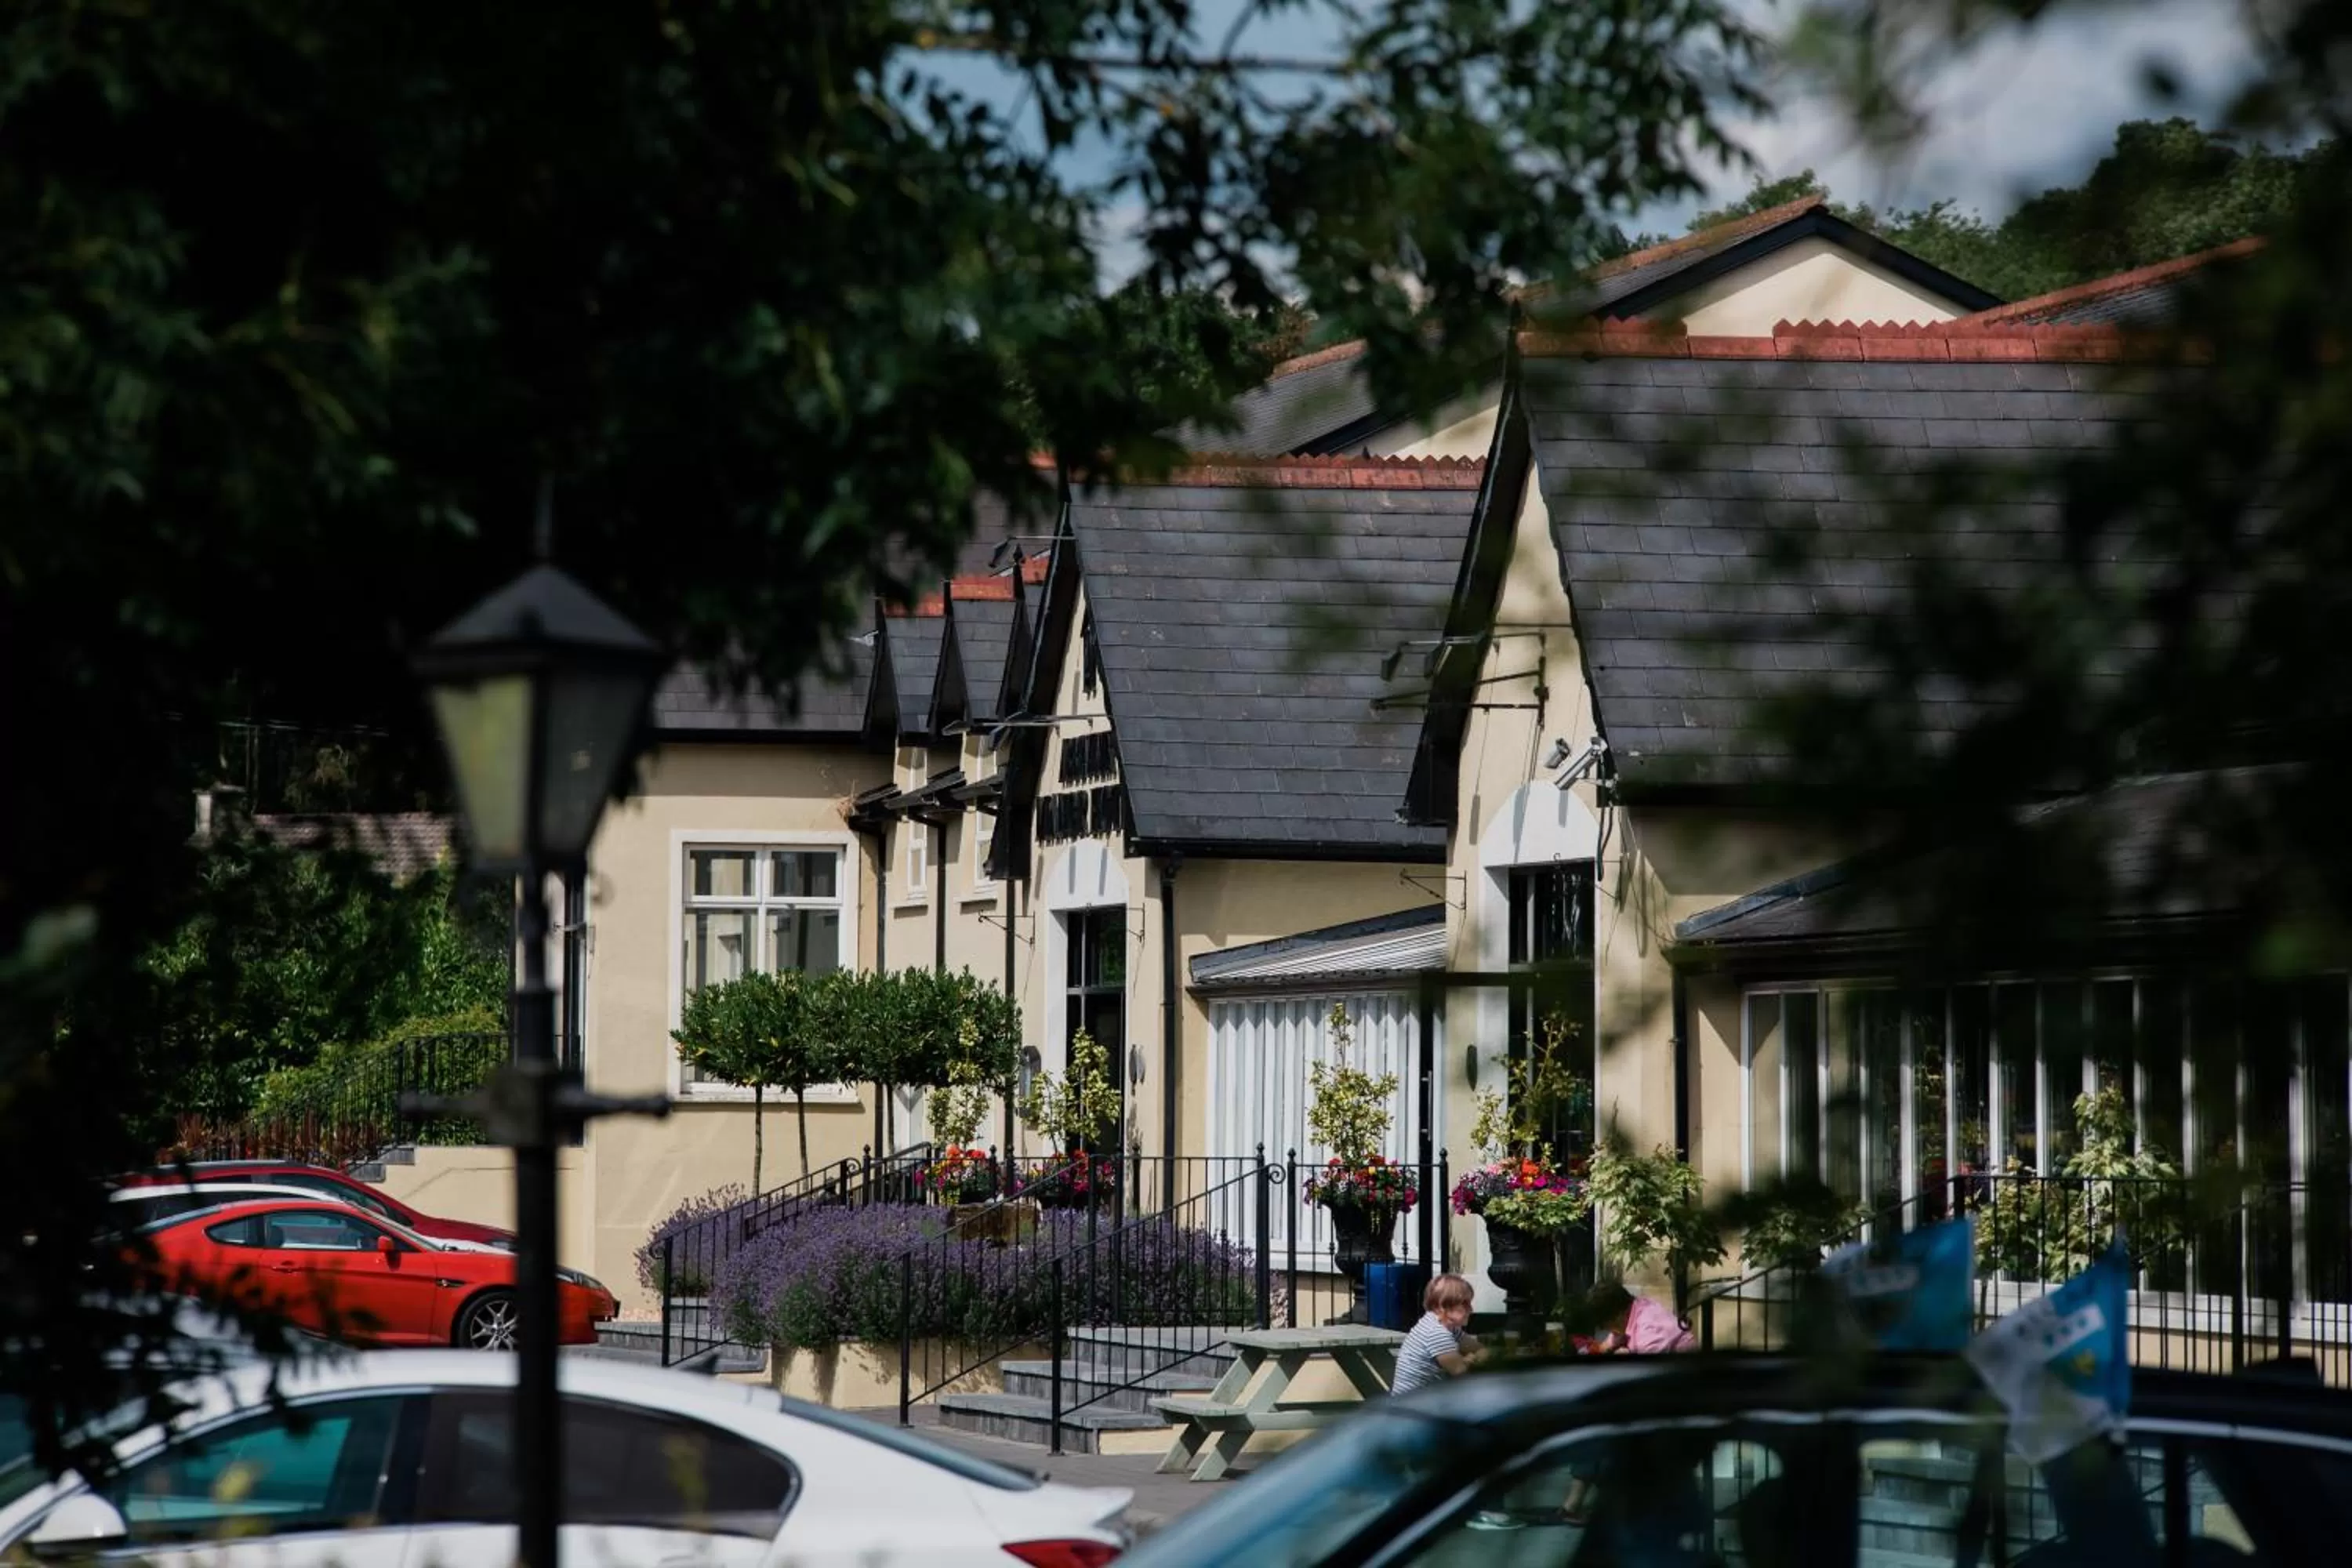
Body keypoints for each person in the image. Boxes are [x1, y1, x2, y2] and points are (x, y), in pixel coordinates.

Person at [1559, 1280, 1696, 1524]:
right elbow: (1613, 1341)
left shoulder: (1649, 1328)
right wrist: (1604, 1350)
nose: (1604, 1328)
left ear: (1617, 1314)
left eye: (1605, 1323)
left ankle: (1593, 1505)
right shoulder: (1633, 1312)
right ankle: (1578, 1505)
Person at [1390, 1272, 1482, 1396]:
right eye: (1465, 1304)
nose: (1471, 1309)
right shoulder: (1436, 1332)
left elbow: (1478, 1348)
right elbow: (1461, 1373)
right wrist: (1470, 1360)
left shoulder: (1446, 1326)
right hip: (1414, 1404)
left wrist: (1472, 1358)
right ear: (1443, 1305)